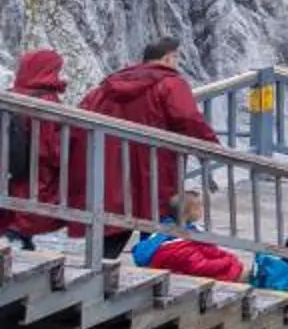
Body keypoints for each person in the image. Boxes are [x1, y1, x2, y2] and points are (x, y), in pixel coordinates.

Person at [78, 39, 218, 255]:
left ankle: (98, 268)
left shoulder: (111, 84)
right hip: (157, 166)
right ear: (168, 58)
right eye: (176, 58)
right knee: (158, 219)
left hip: (114, 165)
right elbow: (188, 118)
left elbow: (83, 113)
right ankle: (153, 268)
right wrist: (211, 146)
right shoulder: (171, 83)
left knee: (117, 217)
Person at [1, 49, 72, 246]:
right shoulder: (46, 101)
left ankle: (16, 236)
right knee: (34, 209)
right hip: (38, 172)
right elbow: (50, 147)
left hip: (13, 168)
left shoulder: (13, 96)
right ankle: (18, 236)